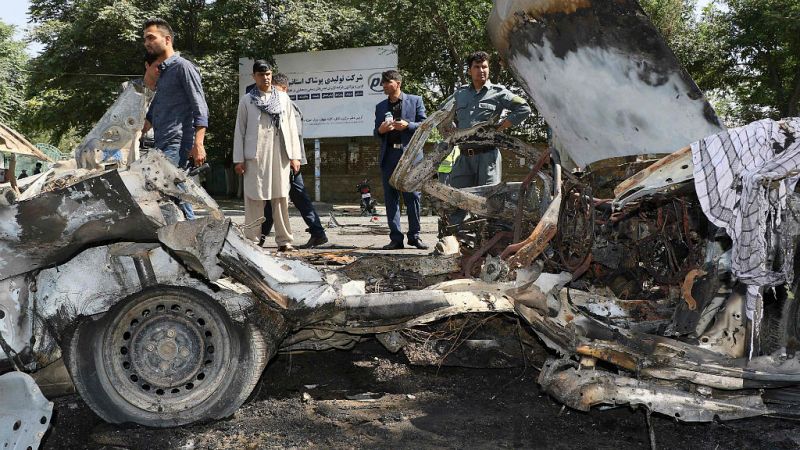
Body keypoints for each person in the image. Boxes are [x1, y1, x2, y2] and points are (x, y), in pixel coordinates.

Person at [449, 51, 531, 226]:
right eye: (477, 67)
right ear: (469, 71)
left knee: (489, 202)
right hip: (463, 156)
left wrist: (502, 126)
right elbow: (442, 114)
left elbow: (524, 108)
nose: (481, 70)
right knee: (456, 199)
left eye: (484, 66)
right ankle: (451, 238)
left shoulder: (499, 92)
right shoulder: (460, 94)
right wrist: (450, 129)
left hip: (488, 157)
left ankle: (486, 246)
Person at [141, 18, 209, 219]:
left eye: (151, 37)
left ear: (167, 39)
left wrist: (199, 143)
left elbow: (200, 106)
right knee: (173, 194)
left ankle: (192, 235)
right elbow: (155, 109)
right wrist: (138, 129)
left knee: (168, 191)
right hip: (162, 142)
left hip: (178, 142)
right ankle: (190, 235)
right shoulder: (164, 72)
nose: (147, 42)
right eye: (145, 39)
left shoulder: (183, 67)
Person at [233, 60, 303, 252]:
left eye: (268, 74)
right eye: (261, 75)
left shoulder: (282, 98)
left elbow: (291, 128)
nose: (265, 78)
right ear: (254, 76)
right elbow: (240, 130)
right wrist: (238, 159)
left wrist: (295, 157)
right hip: (255, 155)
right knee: (255, 197)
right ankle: (252, 241)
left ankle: (284, 240)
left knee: (280, 197)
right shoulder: (247, 100)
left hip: (280, 153)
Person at [258, 73, 328, 249]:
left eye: (275, 88)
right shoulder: (275, 106)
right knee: (284, 198)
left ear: (285, 89)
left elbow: (294, 135)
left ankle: (260, 236)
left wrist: (292, 158)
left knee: (276, 198)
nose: (272, 91)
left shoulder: (289, 107)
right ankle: (317, 233)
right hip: (280, 161)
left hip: (288, 161)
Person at [373, 70, 428, 250]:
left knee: (412, 196)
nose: (384, 85)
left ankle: (414, 236)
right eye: (383, 83)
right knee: (391, 198)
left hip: (410, 157)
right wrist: (380, 131)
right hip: (389, 156)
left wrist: (408, 125)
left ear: (398, 83)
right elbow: (376, 133)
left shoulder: (415, 100)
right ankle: (396, 238)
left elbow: (425, 125)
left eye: (387, 82)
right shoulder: (381, 107)